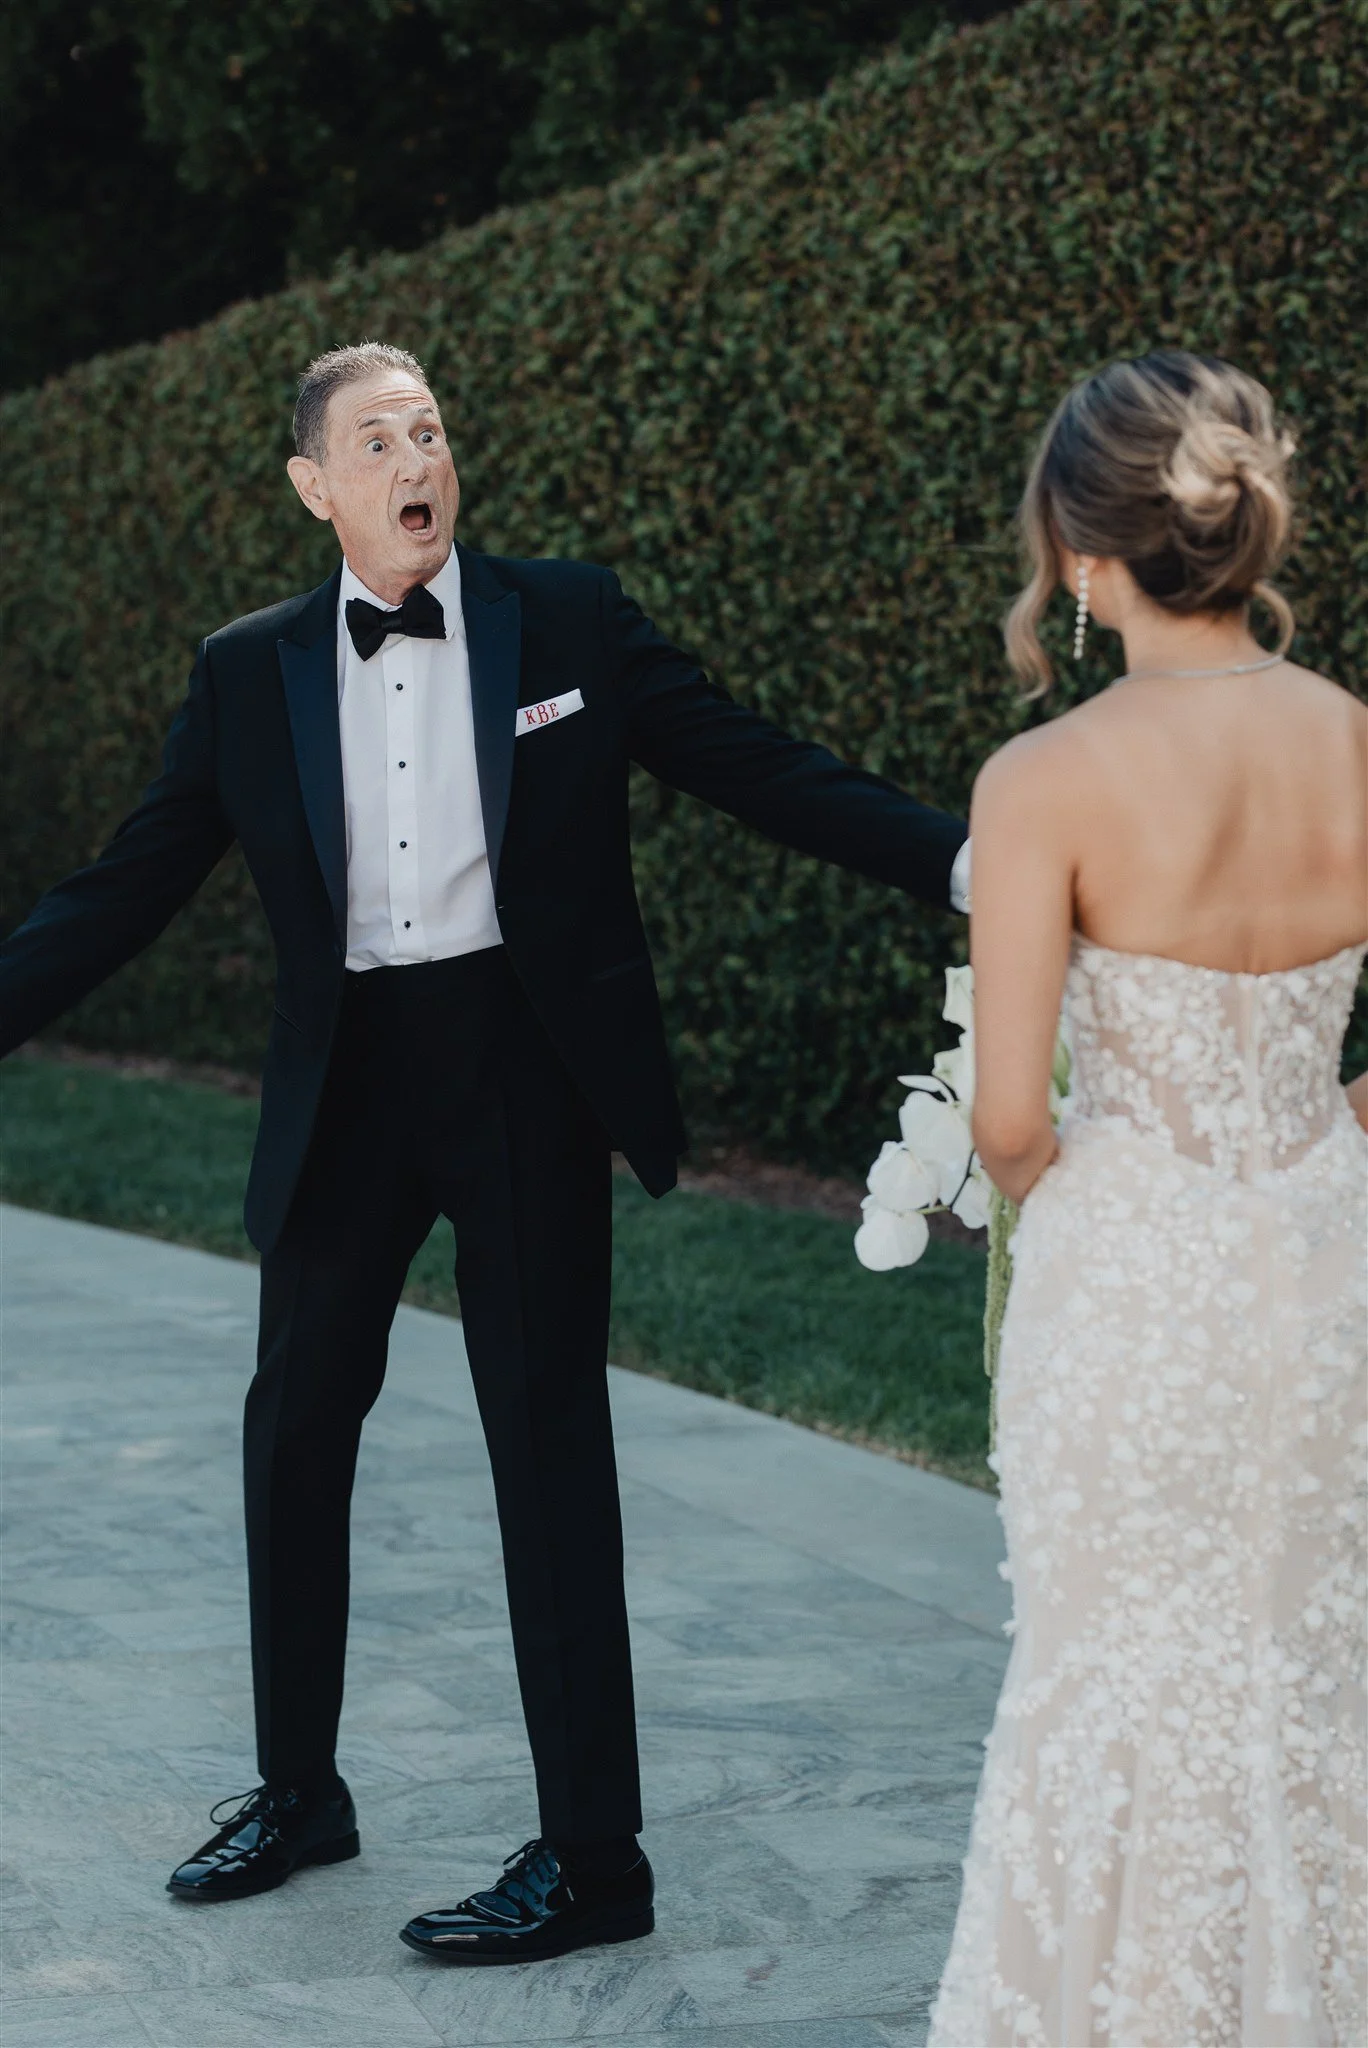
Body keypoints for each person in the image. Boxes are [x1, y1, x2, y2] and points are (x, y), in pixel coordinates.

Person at [0, 341, 970, 1964]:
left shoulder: (565, 617)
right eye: (376, 438)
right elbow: (128, 883)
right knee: (293, 1429)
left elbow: (751, 761)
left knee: (546, 1446)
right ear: (317, 486)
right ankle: (298, 1791)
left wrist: (967, 864)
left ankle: (596, 1860)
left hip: (523, 1066)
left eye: (431, 429)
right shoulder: (250, 670)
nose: (414, 457)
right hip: (348, 1082)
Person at [929, 352, 1367, 2046]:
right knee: (1303, 1677)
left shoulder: (1047, 779)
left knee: (1115, 1688)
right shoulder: (1352, 741)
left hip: (1136, 1285)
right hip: (1326, 1268)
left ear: (1083, 552)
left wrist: (1090, 1199)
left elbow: (1017, 1116)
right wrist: (1316, 1147)